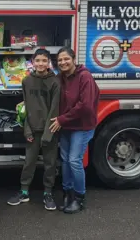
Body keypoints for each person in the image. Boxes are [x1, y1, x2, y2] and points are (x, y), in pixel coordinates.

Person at [7, 49, 60, 211]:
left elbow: (55, 109)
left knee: (50, 163)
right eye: (38, 60)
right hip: (32, 129)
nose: (41, 64)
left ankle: (48, 193)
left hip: (49, 130)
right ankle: (24, 192)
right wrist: (27, 130)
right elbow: (26, 107)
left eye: (44, 60)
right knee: (29, 162)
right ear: (32, 62)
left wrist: (48, 134)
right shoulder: (27, 81)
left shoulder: (55, 82)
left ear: (49, 62)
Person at [49, 47, 100, 214]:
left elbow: (85, 106)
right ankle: (67, 193)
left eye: (66, 59)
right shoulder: (60, 77)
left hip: (82, 125)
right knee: (65, 160)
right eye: (60, 60)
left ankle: (79, 197)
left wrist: (61, 119)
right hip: (66, 126)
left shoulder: (85, 77)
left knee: (74, 160)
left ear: (73, 59)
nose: (63, 62)